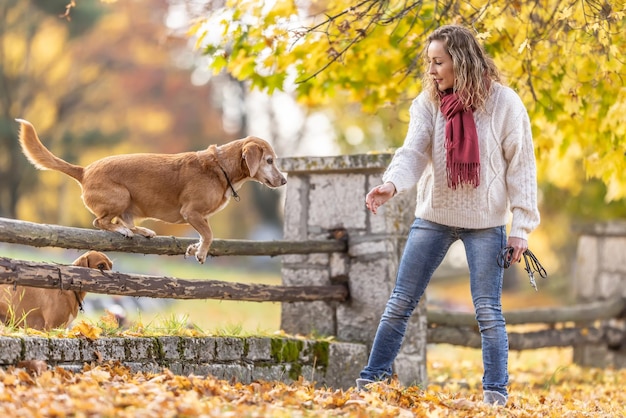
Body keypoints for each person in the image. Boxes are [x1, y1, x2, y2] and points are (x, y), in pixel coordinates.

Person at [356, 24, 540, 406]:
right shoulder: (428, 104)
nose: (433, 71)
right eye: (430, 63)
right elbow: (413, 152)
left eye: (439, 62)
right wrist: (390, 184)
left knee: (488, 312)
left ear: (461, 60)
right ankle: (370, 382)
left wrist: (521, 228)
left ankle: (496, 394)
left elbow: (522, 168)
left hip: (486, 223)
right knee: (400, 302)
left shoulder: (505, 104)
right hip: (435, 215)